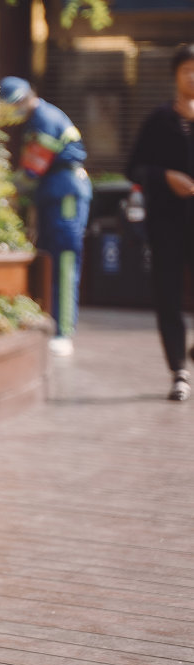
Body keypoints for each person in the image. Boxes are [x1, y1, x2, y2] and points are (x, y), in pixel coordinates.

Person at [0, 76, 93, 357]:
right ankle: (55, 325)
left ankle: (64, 331)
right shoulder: (38, 119)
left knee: (63, 261)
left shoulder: (46, 118)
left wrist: (6, 191)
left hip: (65, 194)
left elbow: (32, 169)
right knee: (51, 259)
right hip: (53, 195)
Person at [125, 43, 194, 403]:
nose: (193, 76)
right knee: (168, 297)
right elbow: (133, 167)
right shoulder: (159, 120)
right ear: (176, 76)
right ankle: (178, 371)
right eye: (187, 70)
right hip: (166, 223)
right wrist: (165, 176)